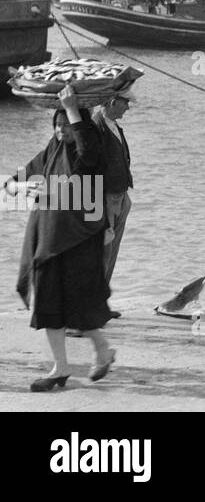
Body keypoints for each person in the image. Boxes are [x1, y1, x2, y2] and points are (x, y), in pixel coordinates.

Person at [7, 87, 116, 390]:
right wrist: (15, 187)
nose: (61, 130)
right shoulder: (53, 150)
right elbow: (24, 175)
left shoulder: (91, 153)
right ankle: (60, 368)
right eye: (57, 125)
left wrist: (71, 109)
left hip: (79, 239)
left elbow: (87, 157)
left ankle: (103, 349)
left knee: (80, 302)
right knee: (48, 302)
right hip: (49, 238)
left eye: (67, 125)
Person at [92, 92, 133, 311]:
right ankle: (93, 304)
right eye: (126, 102)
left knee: (112, 249)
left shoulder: (114, 126)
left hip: (120, 195)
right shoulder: (97, 126)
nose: (128, 107)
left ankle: (101, 303)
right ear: (112, 102)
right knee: (102, 251)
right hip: (106, 197)